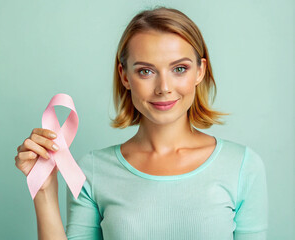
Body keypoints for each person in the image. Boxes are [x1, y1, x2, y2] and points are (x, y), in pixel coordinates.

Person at [14, 6, 268, 240]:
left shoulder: (242, 167)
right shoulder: (92, 170)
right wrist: (44, 190)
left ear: (200, 71)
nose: (164, 88)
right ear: (125, 75)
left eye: (179, 68)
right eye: (146, 71)